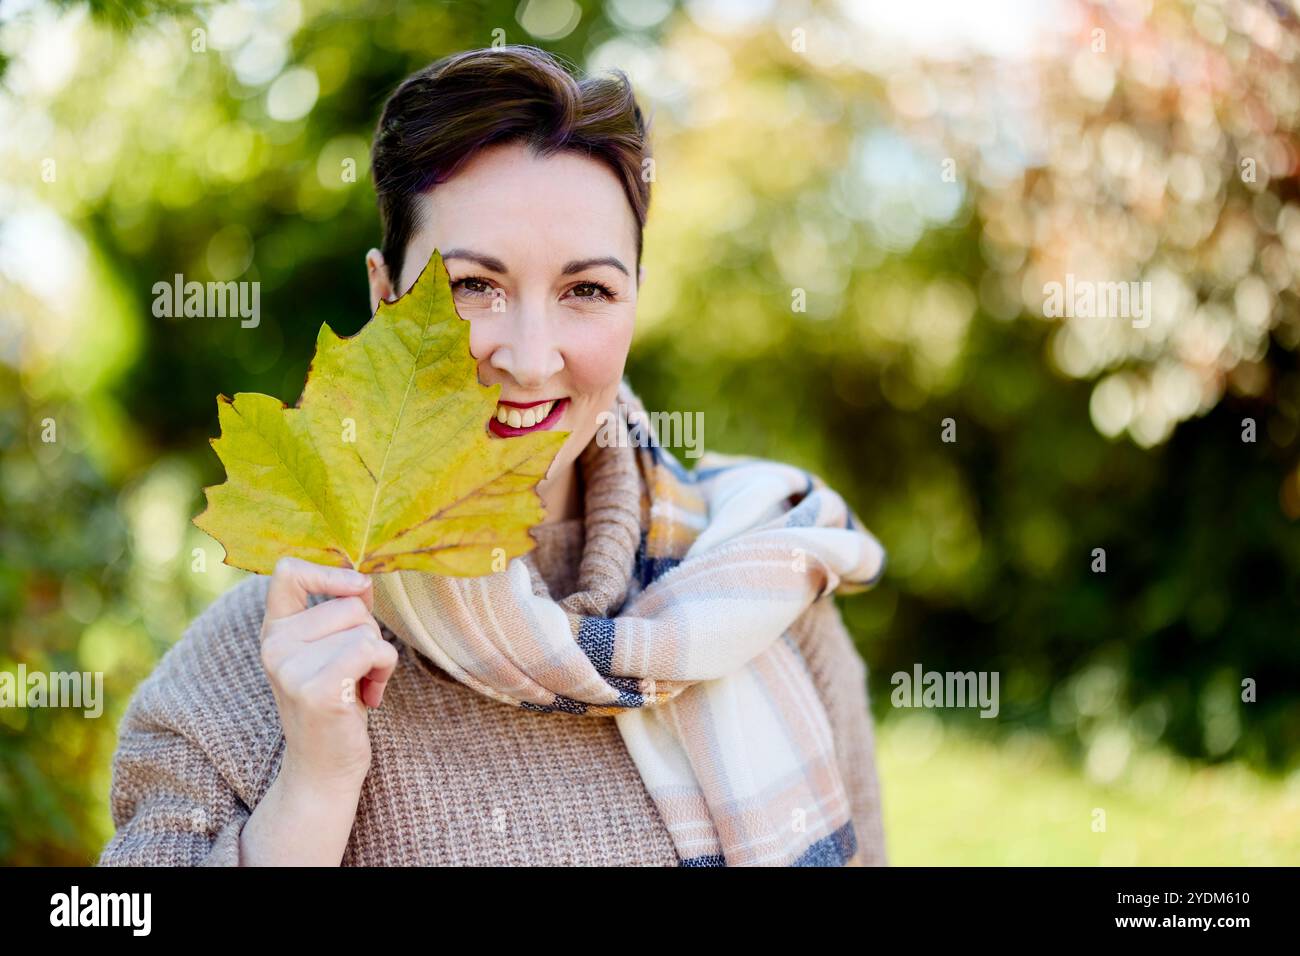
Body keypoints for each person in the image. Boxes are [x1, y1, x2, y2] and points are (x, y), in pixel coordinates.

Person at [99, 44, 888, 867]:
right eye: (475, 285)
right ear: (384, 296)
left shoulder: (766, 583)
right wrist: (314, 785)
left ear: (633, 305)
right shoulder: (256, 671)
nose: (531, 356)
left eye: (587, 290)